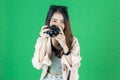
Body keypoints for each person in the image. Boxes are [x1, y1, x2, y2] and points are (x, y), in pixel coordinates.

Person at [32, 5, 82, 80]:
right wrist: (44, 41)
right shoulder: (41, 40)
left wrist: (64, 46)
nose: (58, 25)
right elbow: (38, 65)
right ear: (49, 22)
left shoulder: (73, 41)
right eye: (54, 21)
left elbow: (74, 66)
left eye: (62, 22)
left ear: (66, 24)